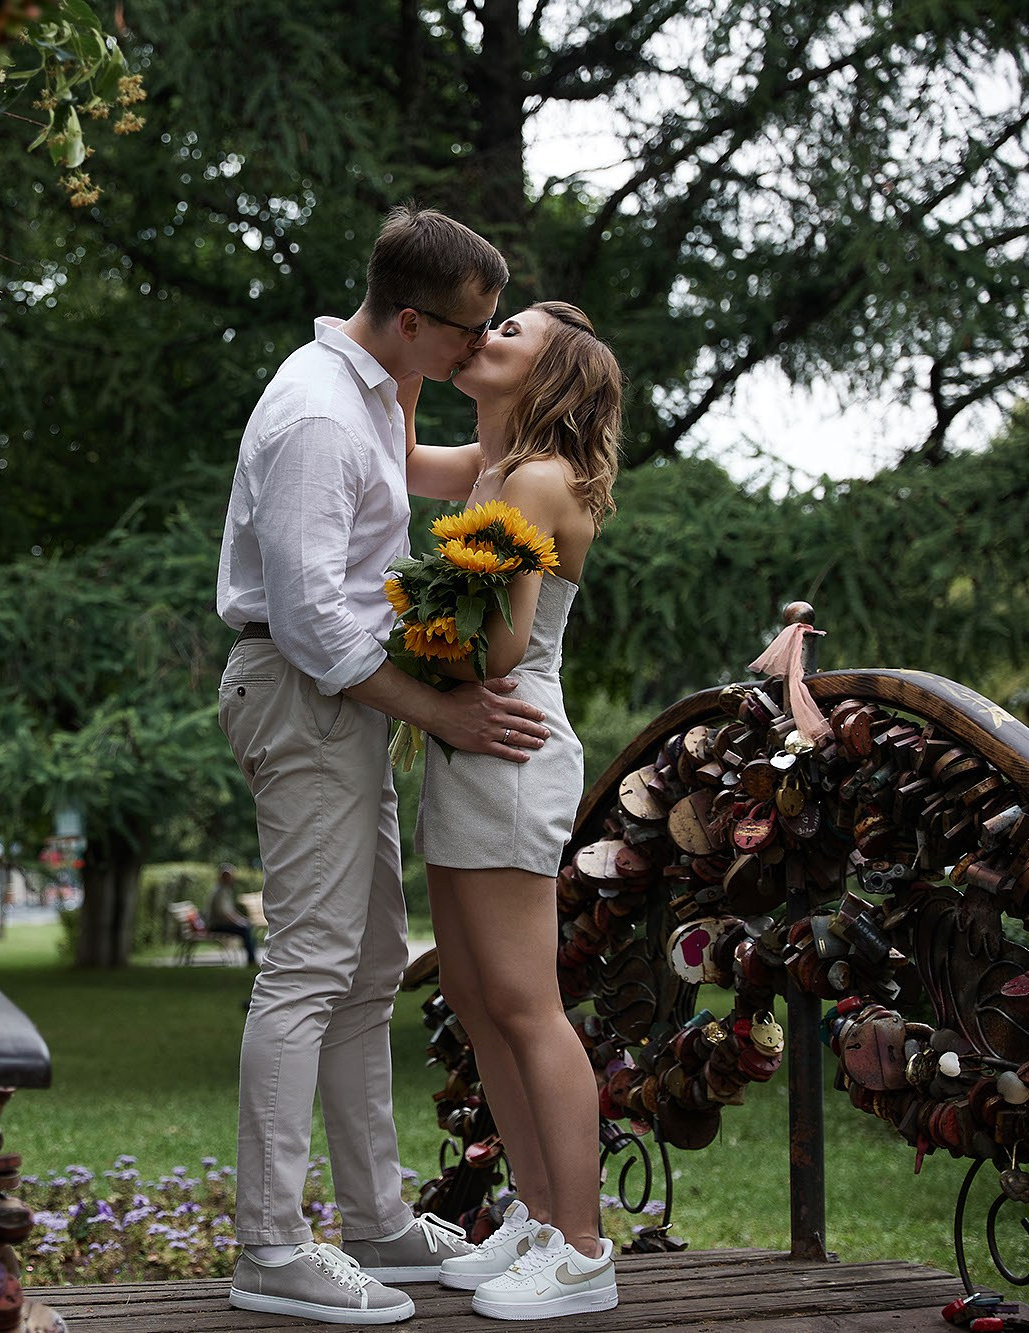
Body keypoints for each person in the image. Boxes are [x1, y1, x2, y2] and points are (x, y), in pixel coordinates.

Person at [215, 205, 552, 1326]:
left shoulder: (369, 390)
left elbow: (429, 482)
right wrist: (441, 716)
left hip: (340, 709)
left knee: (364, 969)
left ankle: (375, 1222)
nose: (475, 349)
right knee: (309, 966)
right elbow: (312, 620)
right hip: (305, 694)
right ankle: (268, 1246)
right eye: (467, 331)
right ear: (410, 320)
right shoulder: (315, 410)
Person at [405, 301, 624, 1320]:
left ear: (551, 377)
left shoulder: (533, 480)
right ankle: (535, 1215)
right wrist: (395, 347)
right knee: (475, 995)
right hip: (465, 738)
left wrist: (401, 644)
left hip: (506, 739)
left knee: (525, 1004)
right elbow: (398, 453)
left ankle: (582, 1251)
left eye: (510, 332)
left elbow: (493, 652)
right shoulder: (488, 463)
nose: (483, 332)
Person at [206, 863, 258, 966]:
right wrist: (240, 922)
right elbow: (223, 914)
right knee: (245, 930)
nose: (231, 879)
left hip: (221, 924)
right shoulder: (219, 892)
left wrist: (242, 919)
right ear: (222, 877)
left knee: (247, 926)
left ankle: (252, 958)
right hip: (216, 926)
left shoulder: (225, 890)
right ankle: (251, 960)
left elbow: (230, 911)